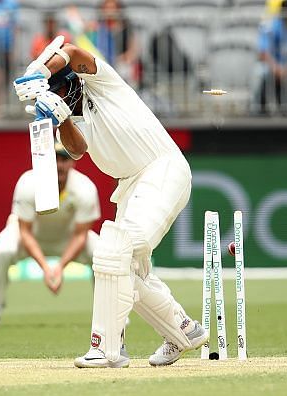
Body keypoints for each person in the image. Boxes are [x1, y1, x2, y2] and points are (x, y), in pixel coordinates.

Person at [12, 35, 209, 368]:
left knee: (112, 251)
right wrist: (58, 119)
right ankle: (183, 330)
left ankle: (105, 348)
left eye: (56, 91)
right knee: (128, 268)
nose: (57, 98)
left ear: (67, 84)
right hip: (131, 184)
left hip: (161, 168)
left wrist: (39, 71)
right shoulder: (69, 121)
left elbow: (72, 52)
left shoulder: (101, 83)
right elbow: (76, 150)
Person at [0, 143, 101, 328]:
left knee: (102, 254)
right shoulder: (29, 183)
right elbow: (24, 231)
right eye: (55, 160)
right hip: (29, 235)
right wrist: (45, 268)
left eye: (64, 159)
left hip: (67, 238)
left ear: (72, 163)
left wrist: (59, 267)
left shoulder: (85, 188)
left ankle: (108, 314)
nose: (59, 165)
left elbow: (80, 235)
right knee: (2, 250)